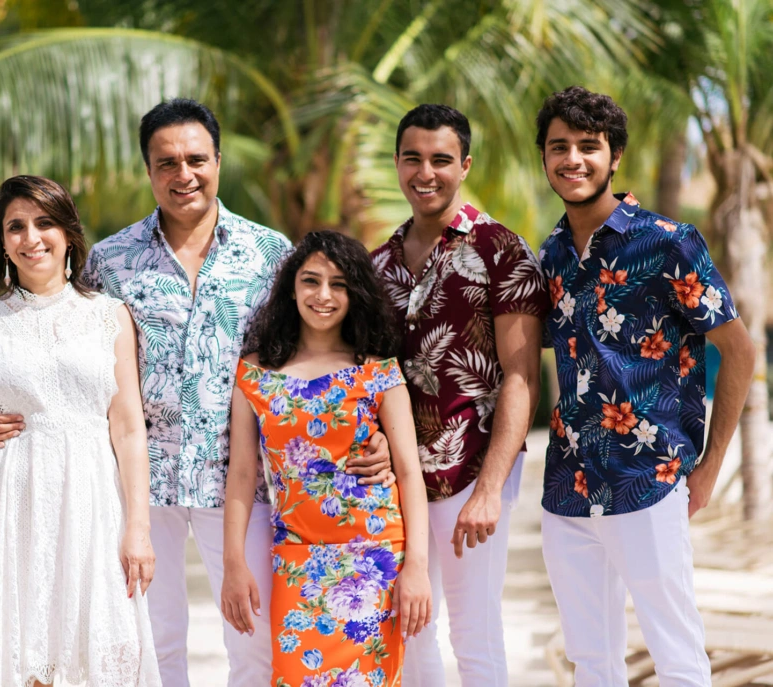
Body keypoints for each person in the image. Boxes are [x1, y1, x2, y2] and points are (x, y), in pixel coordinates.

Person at [0, 98, 394, 687]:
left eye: (196, 159)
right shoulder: (111, 261)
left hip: (248, 482)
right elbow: (60, 343)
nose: (183, 174)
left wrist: (371, 431)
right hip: (141, 484)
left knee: (254, 643)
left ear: (218, 161)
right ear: (149, 169)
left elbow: (318, 353)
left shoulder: (271, 254)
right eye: (166, 162)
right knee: (154, 642)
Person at [535, 86, 755, 686]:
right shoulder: (552, 256)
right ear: (544, 156)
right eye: (559, 146)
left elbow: (739, 350)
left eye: (588, 146)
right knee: (590, 661)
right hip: (567, 486)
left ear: (615, 156)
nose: (573, 159)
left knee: (676, 657)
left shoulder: (667, 241)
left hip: (649, 479)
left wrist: (710, 466)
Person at [0, 175, 159, 686]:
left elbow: (129, 430)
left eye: (44, 223)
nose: (31, 237)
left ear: (68, 233)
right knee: (19, 657)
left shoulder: (110, 317)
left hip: (92, 506)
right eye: (15, 227)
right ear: (2, 244)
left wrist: (138, 528)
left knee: (94, 656)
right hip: (7, 510)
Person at [370, 104, 549, 686]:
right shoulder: (377, 264)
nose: (426, 173)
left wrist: (490, 490)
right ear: (397, 163)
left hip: (471, 468)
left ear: (465, 165)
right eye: (413, 159)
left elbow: (522, 377)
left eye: (441, 160)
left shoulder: (502, 249)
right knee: (408, 628)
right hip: (397, 478)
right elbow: (368, 377)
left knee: (474, 631)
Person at [223, 231, 433, 687]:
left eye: (339, 284)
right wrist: (233, 564)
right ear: (291, 288)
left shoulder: (379, 372)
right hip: (295, 557)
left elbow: (409, 474)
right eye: (311, 280)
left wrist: (416, 566)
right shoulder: (254, 373)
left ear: (355, 294)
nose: (323, 295)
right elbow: (240, 474)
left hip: (375, 558)